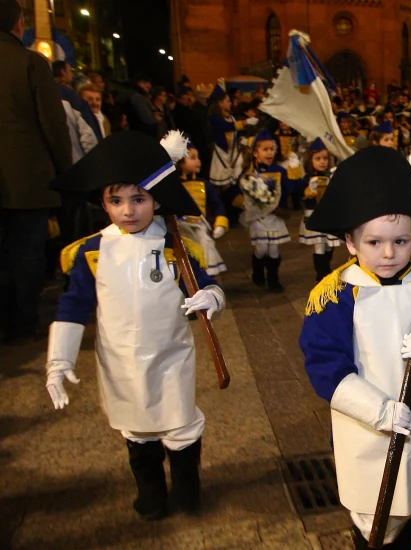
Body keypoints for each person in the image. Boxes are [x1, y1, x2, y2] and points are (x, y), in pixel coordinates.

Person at [299, 146, 411, 550]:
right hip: (366, 423)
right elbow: (326, 366)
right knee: (373, 513)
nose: (387, 253)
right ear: (350, 242)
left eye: (400, 241)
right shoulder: (335, 295)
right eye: (374, 241)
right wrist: (378, 411)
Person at [45, 131, 225, 520]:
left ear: (156, 200)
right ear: (103, 203)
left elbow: (207, 285)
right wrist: (59, 361)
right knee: (136, 430)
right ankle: (151, 495)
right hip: (120, 361)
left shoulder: (176, 246)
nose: (128, 210)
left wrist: (210, 299)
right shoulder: (92, 253)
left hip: (170, 356)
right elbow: (73, 307)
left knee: (180, 426)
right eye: (116, 200)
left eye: (139, 198)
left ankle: (186, 491)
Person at [0, 0, 72, 342]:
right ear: (18, 25)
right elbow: (53, 126)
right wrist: (64, 172)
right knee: (27, 251)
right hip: (25, 179)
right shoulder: (30, 63)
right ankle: (22, 321)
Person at [239, 129, 292, 292]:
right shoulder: (249, 174)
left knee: (274, 249)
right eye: (265, 149)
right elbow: (239, 192)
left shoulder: (280, 171)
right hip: (258, 217)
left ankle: (273, 279)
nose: (269, 152)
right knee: (261, 248)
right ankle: (257, 269)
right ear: (256, 153)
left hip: (275, 216)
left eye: (272, 149)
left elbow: (287, 191)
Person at [177, 136, 229, 276]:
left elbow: (217, 205)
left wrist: (220, 223)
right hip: (181, 233)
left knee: (207, 266)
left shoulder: (204, 184)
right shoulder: (174, 186)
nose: (198, 161)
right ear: (180, 161)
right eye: (192, 157)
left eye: (198, 157)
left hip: (201, 232)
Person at [298, 138, 342, 281]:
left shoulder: (332, 176)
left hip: (329, 216)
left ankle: (326, 268)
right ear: (310, 160)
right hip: (314, 215)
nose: (322, 162)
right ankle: (321, 274)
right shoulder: (307, 178)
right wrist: (309, 189)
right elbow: (301, 195)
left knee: (330, 246)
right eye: (318, 159)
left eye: (324, 158)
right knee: (319, 246)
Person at [208, 81, 257, 187]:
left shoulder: (231, 117)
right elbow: (227, 127)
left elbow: (236, 132)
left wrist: (242, 139)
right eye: (227, 101)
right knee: (222, 182)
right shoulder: (214, 118)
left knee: (234, 179)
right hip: (221, 152)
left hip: (232, 153)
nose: (230, 103)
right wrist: (245, 122)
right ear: (220, 103)